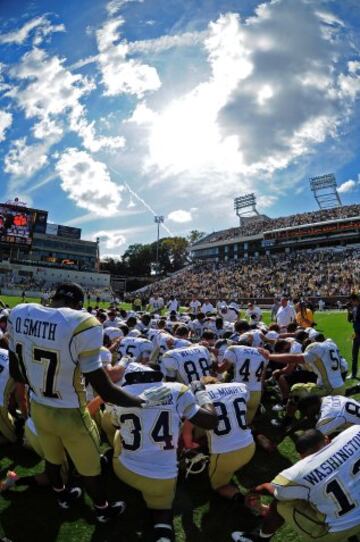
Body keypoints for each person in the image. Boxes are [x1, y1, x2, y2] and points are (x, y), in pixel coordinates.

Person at [8, 282, 171, 522]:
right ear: (78, 305)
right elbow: (106, 389)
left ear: (53, 298)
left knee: (53, 460)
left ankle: (62, 495)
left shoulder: (20, 313)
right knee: (90, 468)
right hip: (70, 412)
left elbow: (17, 372)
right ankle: (103, 509)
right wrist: (142, 402)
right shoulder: (83, 324)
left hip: (39, 406)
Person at [111, 370, 217, 542]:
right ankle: (163, 532)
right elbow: (210, 421)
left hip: (126, 471)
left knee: (117, 434)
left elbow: (115, 424)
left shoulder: (118, 394)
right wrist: (200, 392)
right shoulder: (178, 389)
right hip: (162, 477)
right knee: (162, 508)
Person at [232, 427, 360, 541]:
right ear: (326, 439)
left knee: (281, 504)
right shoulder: (355, 431)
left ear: (302, 457)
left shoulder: (296, 473)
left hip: (341, 528)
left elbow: (275, 491)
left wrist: (254, 491)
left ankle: (260, 539)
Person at [217, 342, 268, 423]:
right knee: (246, 423)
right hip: (256, 393)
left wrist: (212, 359)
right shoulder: (263, 353)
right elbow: (262, 379)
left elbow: (220, 369)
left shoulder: (233, 349)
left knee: (233, 422)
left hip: (238, 391)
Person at [347, 293, 360, 380]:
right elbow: (350, 320)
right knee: (354, 354)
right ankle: (354, 374)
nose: (350, 302)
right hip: (356, 334)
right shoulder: (354, 308)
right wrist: (349, 312)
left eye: (351, 301)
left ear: (355, 300)